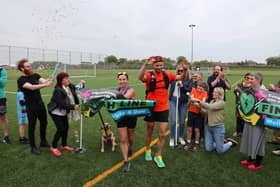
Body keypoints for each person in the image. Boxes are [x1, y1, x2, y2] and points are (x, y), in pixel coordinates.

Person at [138, 56, 181, 168]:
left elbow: (181, 77)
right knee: (150, 129)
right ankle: (147, 149)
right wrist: (145, 65)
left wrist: (185, 70)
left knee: (162, 133)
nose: (159, 67)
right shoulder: (149, 75)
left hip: (163, 108)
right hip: (151, 107)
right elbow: (140, 77)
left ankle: (158, 155)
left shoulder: (167, 75)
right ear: (153, 66)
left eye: (161, 65)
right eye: (157, 65)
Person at [17, 59, 52, 155]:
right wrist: (45, 84)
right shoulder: (21, 80)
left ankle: (43, 142)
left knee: (44, 123)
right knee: (32, 126)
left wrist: (48, 80)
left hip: (40, 104)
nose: (30, 67)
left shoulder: (35, 75)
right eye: (27, 66)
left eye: (30, 66)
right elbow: (31, 87)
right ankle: (33, 147)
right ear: (22, 68)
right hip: (31, 106)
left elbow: (43, 81)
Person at [191, 87, 237, 153]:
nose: (213, 93)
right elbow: (206, 112)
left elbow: (210, 107)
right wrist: (198, 108)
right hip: (209, 127)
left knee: (220, 151)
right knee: (208, 149)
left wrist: (198, 101)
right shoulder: (212, 101)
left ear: (220, 94)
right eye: (213, 92)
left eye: (215, 92)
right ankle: (220, 143)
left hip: (218, 128)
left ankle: (230, 143)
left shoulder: (221, 103)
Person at [47, 72, 80, 156]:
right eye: (65, 78)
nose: (68, 79)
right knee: (60, 129)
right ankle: (53, 147)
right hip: (56, 112)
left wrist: (82, 84)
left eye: (68, 78)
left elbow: (77, 87)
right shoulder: (58, 90)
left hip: (64, 112)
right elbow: (61, 104)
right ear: (61, 80)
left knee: (66, 128)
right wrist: (73, 106)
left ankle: (64, 145)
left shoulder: (69, 86)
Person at [240, 73, 267, 170]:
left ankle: (258, 163)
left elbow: (268, 108)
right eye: (250, 78)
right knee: (249, 138)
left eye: (253, 79)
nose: (250, 80)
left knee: (258, 141)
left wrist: (267, 122)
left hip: (260, 122)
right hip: (250, 119)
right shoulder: (250, 89)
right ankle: (251, 159)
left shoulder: (264, 91)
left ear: (259, 80)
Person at [115, 72, 137, 172]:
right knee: (123, 139)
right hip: (121, 117)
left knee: (130, 137)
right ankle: (126, 161)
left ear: (127, 80)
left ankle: (131, 147)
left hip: (131, 116)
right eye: (120, 79)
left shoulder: (131, 90)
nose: (122, 81)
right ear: (118, 80)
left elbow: (123, 99)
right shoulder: (116, 90)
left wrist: (110, 95)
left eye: (124, 79)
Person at [169, 65, 193, 147]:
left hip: (183, 102)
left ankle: (180, 137)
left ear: (186, 71)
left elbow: (189, 90)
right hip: (173, 100)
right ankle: (172, 138)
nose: (180, 72)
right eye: (178, 71)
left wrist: (182, 85)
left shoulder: (189, 80)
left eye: (182, 71)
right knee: (173, 121)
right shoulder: (174, 78)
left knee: (182, 122)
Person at [184, 81, 208, 151]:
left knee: (197, 129)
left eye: (201, 88)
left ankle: (196, 143)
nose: (199, 90)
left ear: (204, 89)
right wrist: (198, 101)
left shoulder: (205, 93)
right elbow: (191, 99)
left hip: (199, 113)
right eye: (198, 88)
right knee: (189, 128)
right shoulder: (193, 90)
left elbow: (202, 103)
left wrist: (197, 102)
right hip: (191, 112)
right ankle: (188, 142)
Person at [233, 73, 254, 137]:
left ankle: (245, 132)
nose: (249, 80)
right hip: (239, 105)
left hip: (248, 106)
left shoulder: (252, 87)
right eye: (247, 78)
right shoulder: (239, 85)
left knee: (246, 119)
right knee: (238, 118)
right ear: (244, 78)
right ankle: (238, 131)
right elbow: (235, 91)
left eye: (251, 78)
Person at [0, 66, 10, 144]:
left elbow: (2, 84)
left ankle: (6, 136)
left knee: (3, 117)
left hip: (1, 98)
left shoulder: (2, 70)